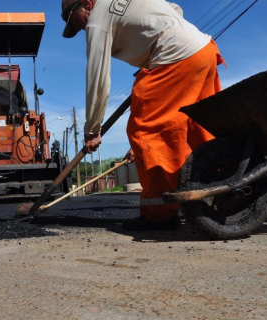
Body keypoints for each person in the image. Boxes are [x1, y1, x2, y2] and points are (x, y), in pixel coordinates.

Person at [61, 0, 225, 230]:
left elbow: (97, 80)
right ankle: (224, 187)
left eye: (73, 20)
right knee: (199, 125)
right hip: (203, 50)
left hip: (177, 59)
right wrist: (152, 53)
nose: (78, 28)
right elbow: (174, 9)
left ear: (87, 4)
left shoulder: (96, 21)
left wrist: (92, 131)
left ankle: (159, 213)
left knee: (145, 128)